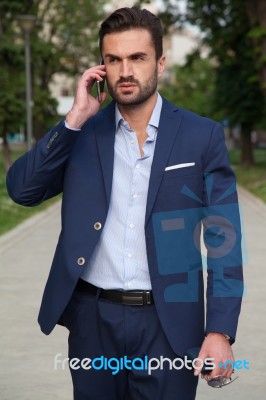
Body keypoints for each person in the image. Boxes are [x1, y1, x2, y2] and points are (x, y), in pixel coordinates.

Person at [6, 7, 243, 400]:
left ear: (160, 62)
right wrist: (74, 118)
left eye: (137, 58)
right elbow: (22, 191)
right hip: (93, 320)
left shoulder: (202, 137)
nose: (125, 70)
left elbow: (224, 240)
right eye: (113, 60)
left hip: (168, 324)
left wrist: (219, 331)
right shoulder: (83, 133)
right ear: (102, 66)